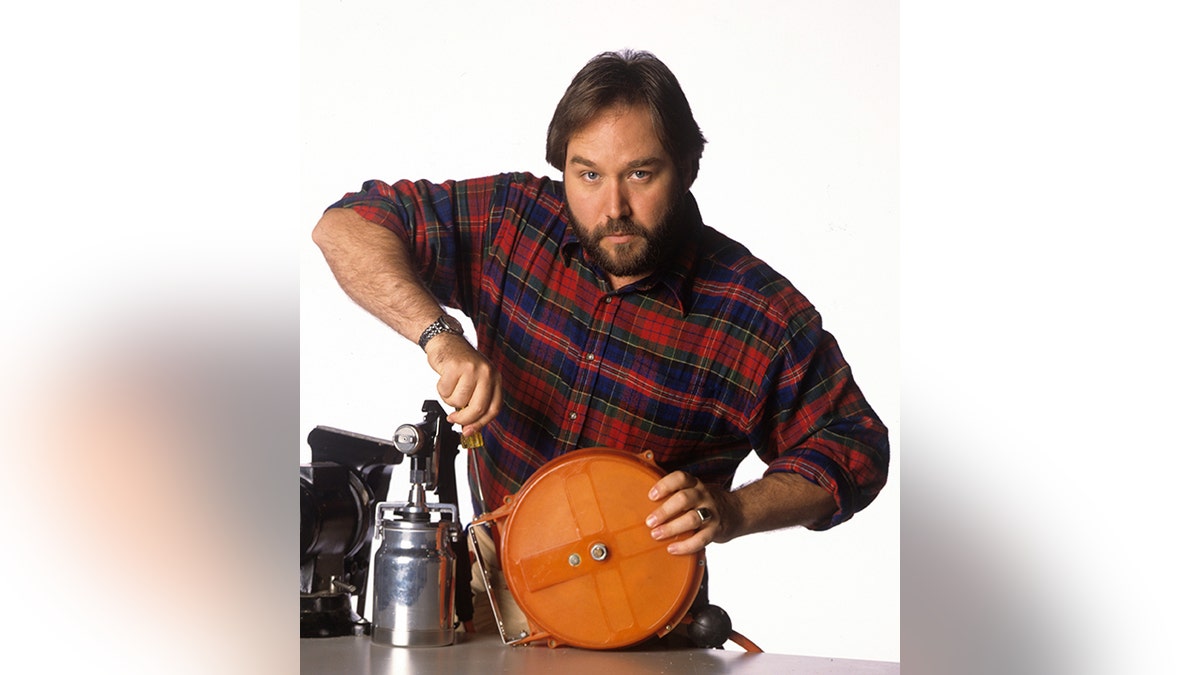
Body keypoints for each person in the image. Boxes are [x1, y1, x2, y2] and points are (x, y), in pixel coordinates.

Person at [312, 49, 889, 635]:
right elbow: (347, 224)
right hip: (484, 596)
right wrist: (440, 338)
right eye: (587, 175)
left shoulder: (757, 313)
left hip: (637, 619)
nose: (612, 209)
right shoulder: (513, 222)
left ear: (688, 167)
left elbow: (856, 448)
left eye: (641, 173)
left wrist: (735, 509)